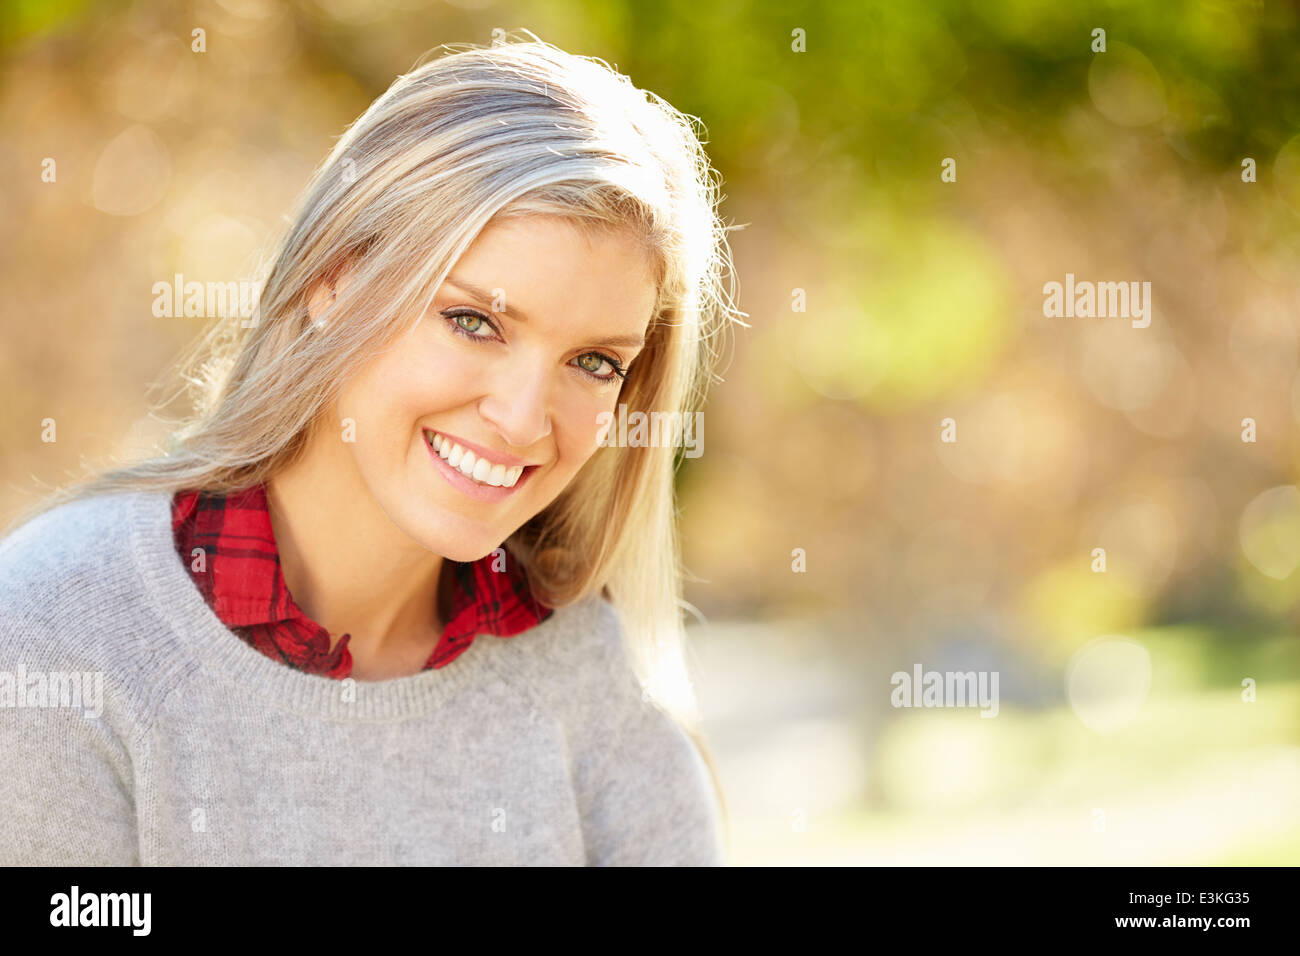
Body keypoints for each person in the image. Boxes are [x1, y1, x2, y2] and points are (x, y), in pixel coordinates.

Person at [0, 33, 744, 866]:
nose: (526, 419)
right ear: (335, 278)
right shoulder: (55, 641)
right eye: (476, 321)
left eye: (594, 362)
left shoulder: (594, 682)